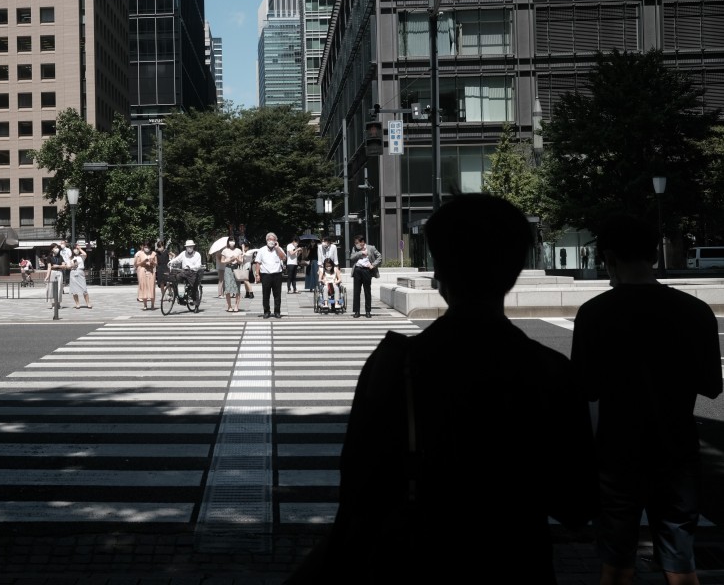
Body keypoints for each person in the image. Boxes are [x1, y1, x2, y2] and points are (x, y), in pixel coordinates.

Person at [287, 194, 598, 583]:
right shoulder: (549, 371)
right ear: (517, 268)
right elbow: (576, 504)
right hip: (517, 560)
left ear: (439, 272)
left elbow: (359, 498)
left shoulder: (395, 365)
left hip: (418, 560)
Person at [572, 214, 722, 585]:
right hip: (677, 450)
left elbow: (585, 388)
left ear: (608, 257)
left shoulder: (594, 314)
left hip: (617, 453)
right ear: (654, 254)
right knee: (680, 560)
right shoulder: (695, 311)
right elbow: (711, 385)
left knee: (617, 561)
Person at [253, 232, 287, 319]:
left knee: (277, 295)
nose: (271, 241)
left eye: (273, 239)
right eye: (269, 239)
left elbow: (284, 258)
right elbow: (258, 263)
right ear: (266, 240)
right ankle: (266, 311)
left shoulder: (278, 249)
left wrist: (277, 248)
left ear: (276, 241)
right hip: (266, 275)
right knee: (266, 294)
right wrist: (257, 274)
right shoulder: (262, 250)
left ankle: (277, 311)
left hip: (277, 274)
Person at [348, 234, 381, 318]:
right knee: (356, 292)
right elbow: (351, 257)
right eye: (355, 243)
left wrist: (373, 265)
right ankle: (357, 311)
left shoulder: (371, 248)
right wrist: (361, 252)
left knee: (367, 291)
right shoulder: (355, 249)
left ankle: (368, 311)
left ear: (362, 242)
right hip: (357, 270)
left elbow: (379, 257)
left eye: (357, 243)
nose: (356, 244)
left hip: (367, 270)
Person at [221, 237, 244, 312]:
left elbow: (241, 261)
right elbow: (222, 261)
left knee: (237, 287)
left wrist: (236, 259)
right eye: (230, 241)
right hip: (228, 269)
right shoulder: (225, 251)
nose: (232, 242)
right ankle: (229, 306)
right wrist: (229, 260)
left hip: (236, 268)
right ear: (228, 242)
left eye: (233, 240)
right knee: (227, 288)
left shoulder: (238, 250)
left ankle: (236, 306)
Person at [134, 242, 157, 310]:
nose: (146, 248)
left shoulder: (153, 253)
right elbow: (137, 264)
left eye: (148, 247)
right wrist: (143, 262)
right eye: (145, 247)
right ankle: (145, 305)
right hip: (143, 271)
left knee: (152, 287)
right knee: (144, 287)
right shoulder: (140, 254)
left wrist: (152, 261)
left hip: (151, 271)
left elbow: (156, 263)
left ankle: (152, 305)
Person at [68, 244, 92, 309]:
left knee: (84, 289)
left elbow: (85, 254)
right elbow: (68, 266)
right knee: (74, 290)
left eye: (77, 249)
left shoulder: (81, 256)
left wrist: (80, 248)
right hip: (73, 271)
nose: (76, 250)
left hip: (80, 271)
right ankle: (77, 304)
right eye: (75, 249)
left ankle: (88, 303)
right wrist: (71, 265)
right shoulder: (71, 257)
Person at [44, 242, 65, 309]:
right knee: (52, 288)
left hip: (60, 272)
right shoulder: (49, 257)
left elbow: (64, 265)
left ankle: (58, 303)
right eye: (55, 247)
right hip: (53, 273)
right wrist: (47, 276)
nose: (57, 249)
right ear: (52, 249)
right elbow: (49, 267)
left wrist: (57, 266)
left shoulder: (60, 257)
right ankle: (53, 304)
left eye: (57, 247)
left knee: (59, 288)